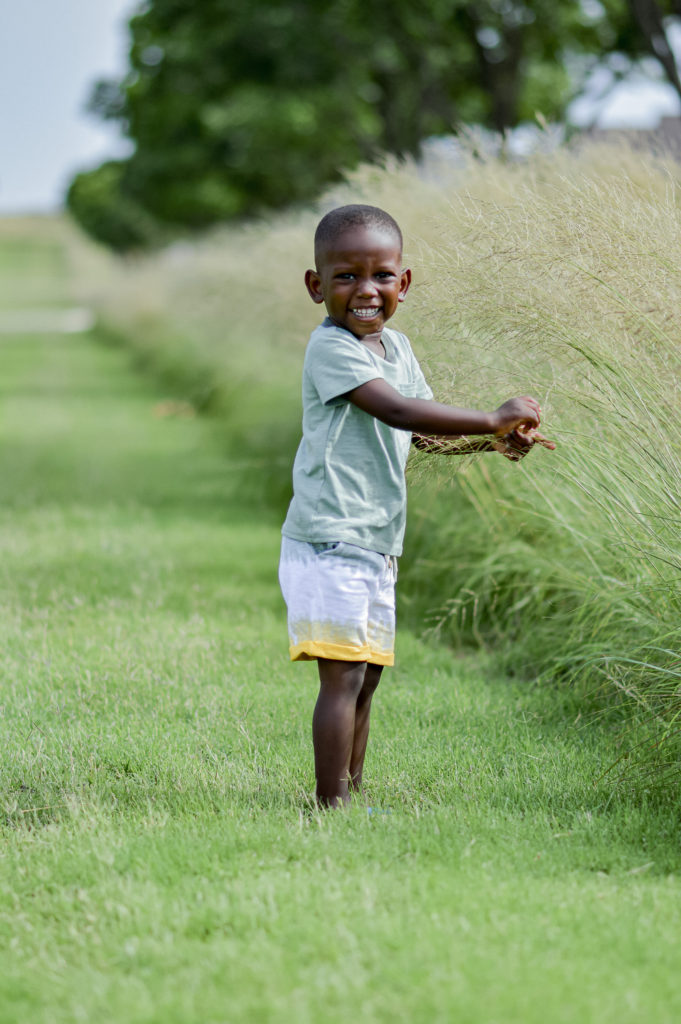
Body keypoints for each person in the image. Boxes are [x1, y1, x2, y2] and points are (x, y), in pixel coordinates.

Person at [279, 204, 554, 808]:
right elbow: (398, 411)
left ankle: (352, 792)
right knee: (343, 674)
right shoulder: (330, 349)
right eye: (345, 276)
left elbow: (425, 435)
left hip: (376, 539)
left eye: (381, 276)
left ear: (403, 284)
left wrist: (493, 440)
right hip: (331, 534)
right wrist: (490, 413)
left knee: (367, 677)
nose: (365, 291)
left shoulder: (397, 348)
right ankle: (331, 804)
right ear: (315, 285)